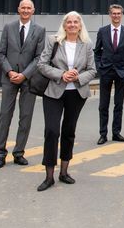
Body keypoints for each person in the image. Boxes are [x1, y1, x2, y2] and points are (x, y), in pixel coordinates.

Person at [35, 11, 97, 192]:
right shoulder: (53, 41)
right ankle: (48, 176)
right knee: (52, 131)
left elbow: (92, 70)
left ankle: (64, 171)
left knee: (69, 131)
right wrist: (62, 74)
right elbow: (42, 64)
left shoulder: (86, 45)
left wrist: (76, 77)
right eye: (68, 22)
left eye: (75, 22)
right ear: (64, 25)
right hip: (53, 92)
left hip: (76, 94)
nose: (72, 25)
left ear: (80, 25)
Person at [0, 0, 46, 169]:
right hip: (9, 78)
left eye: (28, 8)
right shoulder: (8, 28)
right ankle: (0, 153)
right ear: (18, 9)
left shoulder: (40, 30)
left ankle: (19, 152)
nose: (25, 10)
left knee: (25, 117)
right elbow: (1, 53)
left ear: (33, 10)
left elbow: (39, 57)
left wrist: (24, 75)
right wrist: (10, 72)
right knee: (5, 116)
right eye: (23, 7)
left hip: (28, 80)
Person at [94, 4, 124, 144]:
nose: (116, 15)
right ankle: (103, 134)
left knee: (119, 104)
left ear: (121, 15)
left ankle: (116, 132)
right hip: (106, 71)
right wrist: (99, 67)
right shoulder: (102, 31)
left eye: (118, 13)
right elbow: (97, 51)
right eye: (114, 13)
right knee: (103, 104)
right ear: (110, 15)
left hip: (121, 71)